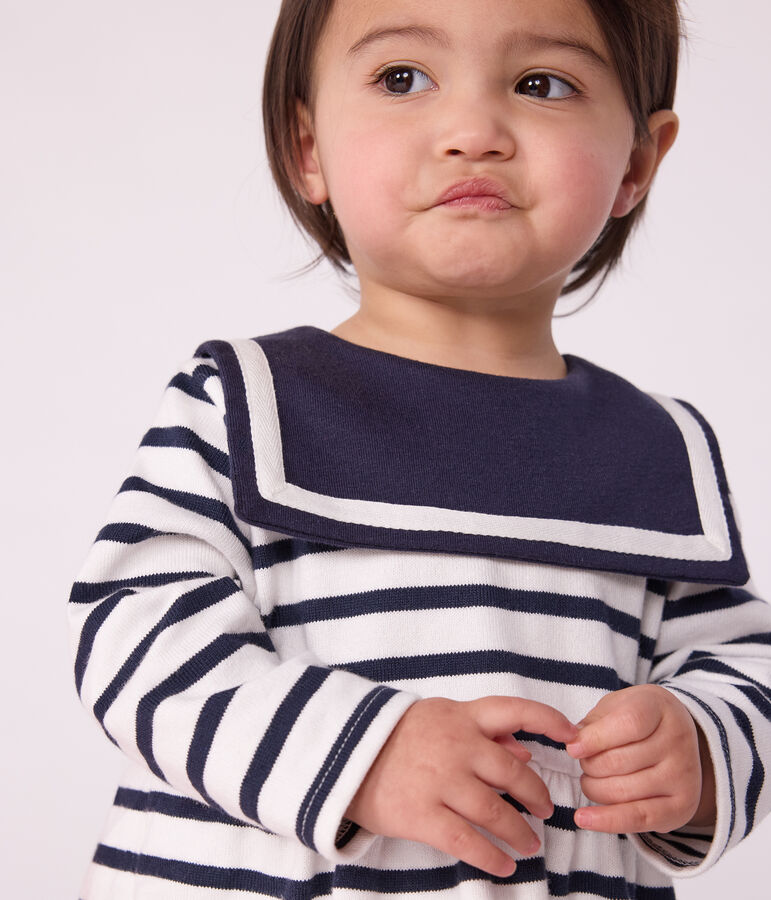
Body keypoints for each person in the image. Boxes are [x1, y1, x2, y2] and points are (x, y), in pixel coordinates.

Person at [68, 0, 771, 897]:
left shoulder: (651, 450)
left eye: (539, 84)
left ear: (635, 162)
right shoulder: (243, 404)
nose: (473, 131)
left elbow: (744, 669)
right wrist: (357, 752)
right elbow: (136, 638)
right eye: (402, 79)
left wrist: (701, 747)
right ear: (307, 146)